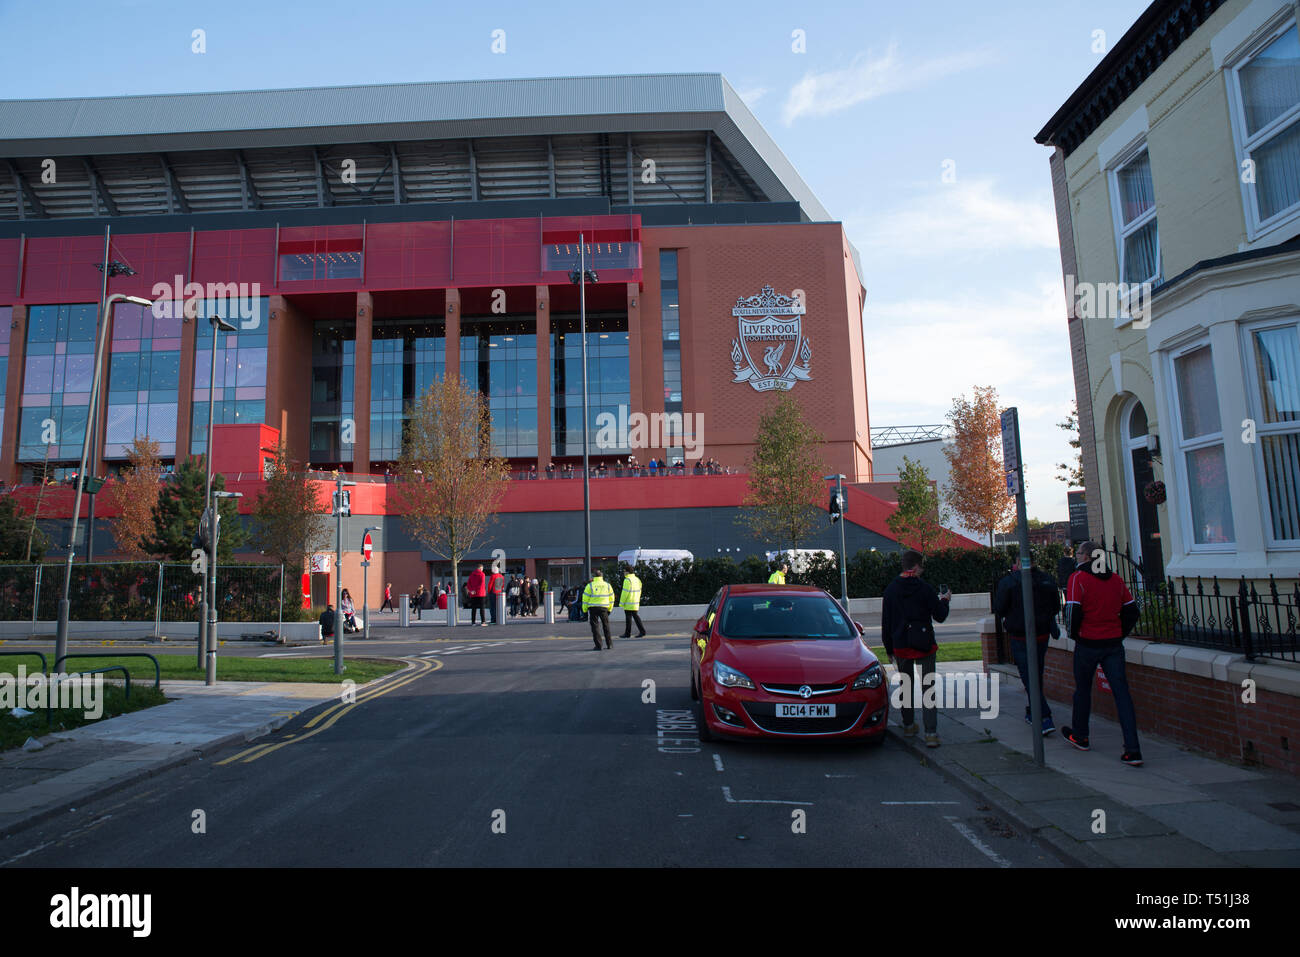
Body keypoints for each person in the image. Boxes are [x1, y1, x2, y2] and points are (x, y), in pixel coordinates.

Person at [1062, 541, 1143, 765]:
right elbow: (1132, 611)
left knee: (1083, 691)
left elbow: (1072, 611)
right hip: (1113, 644)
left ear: (1087, 557)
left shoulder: (1078, 578)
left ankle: (1080, 735)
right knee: (1122, 694)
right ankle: (1133, 749)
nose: (1076, 556)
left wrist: (1074, 634)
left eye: (1078, 553)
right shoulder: (1116, 580)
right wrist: (1119, 633)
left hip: (1088, 643)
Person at [881, 550, 951, 748]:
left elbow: (886, 622)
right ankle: (931, 733)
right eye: (922, 566)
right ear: (917, 566)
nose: (923, 569)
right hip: (924, 644)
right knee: (928, 688)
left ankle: (909, 724)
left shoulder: (891, 590)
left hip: (901, 645)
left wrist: (889, 648)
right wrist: (944, 599)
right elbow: (940, 615)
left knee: (906, 687)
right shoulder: (925, 589)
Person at [993, 559, 1061, 735]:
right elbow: (1055, 606)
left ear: (1017, 562)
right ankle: (1034, 710)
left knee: (1028, 676)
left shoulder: (1009, 582)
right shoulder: (1046, 579)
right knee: (1036, 673)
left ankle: (1044, 717)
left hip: (1020, 635)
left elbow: (999, 607)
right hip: (1042, 633)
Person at [582, 570, 616, 650]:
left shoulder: (590, 586)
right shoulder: (607, 585)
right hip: (604, 608)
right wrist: (610, 609)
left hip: (593, 608)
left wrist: (585, 609)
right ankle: (609, 644)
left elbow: (585, 599)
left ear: (594, 577)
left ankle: (598, 645)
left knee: (595, 627)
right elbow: (612, 598)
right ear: (602, 576)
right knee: (606, 626)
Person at [618, 567, 647, 638]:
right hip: (635, 601)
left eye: (624, 571)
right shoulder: (637, 579)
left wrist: (621, 602)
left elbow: (625, 592)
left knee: (628, 618)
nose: (624, 573)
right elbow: (640, 590)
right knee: (635, 616)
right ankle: (642, 631)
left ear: (627, 572)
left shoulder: (627, 580)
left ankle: (627, 634)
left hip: (628, 602)